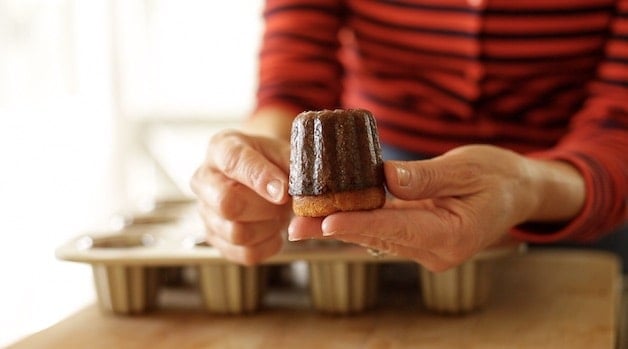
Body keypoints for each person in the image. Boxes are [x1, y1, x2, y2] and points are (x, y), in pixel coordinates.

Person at [190, 0, 628, 271]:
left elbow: (619, 122)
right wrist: (263, 163)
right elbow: (293, 80)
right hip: (378, 184)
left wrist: (529, 187)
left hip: (578, 197)